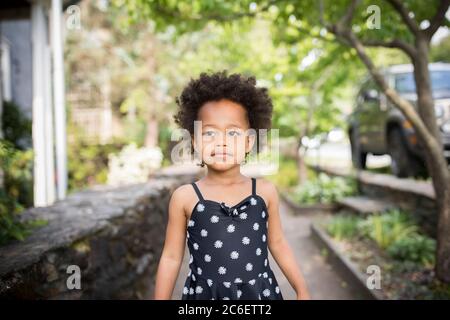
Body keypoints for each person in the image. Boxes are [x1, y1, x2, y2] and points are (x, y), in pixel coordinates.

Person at [154, 71, 310, 300]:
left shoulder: (265, 192)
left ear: (249, 142)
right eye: (209, 133)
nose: (222, 141)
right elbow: (171, 256)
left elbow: (277, 242)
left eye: (233, 132)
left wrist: (301, 288)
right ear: (195, 142)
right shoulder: (185, 197)